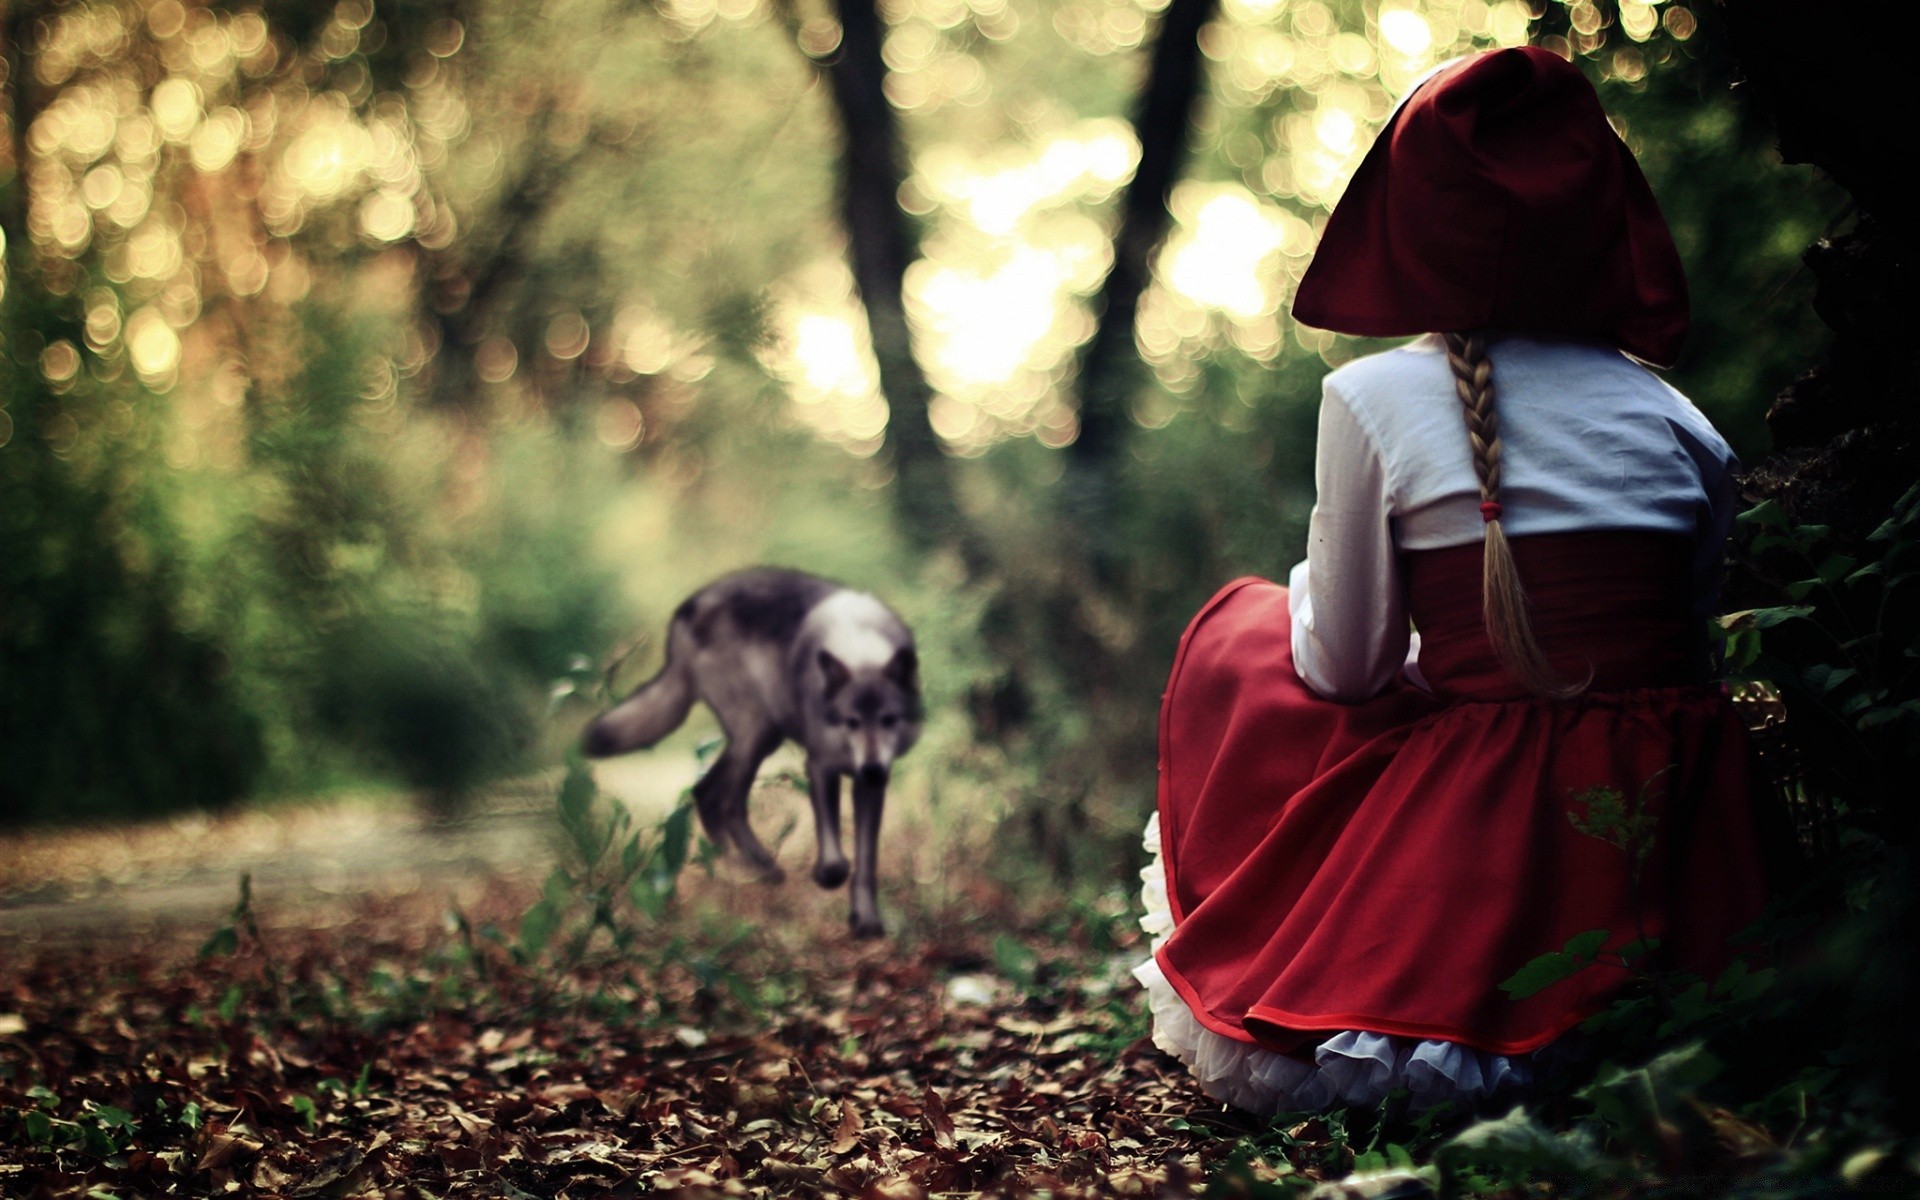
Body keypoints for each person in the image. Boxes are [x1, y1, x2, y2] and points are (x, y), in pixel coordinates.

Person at [1131, 46, 1775, 1114]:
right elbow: (1689, 656)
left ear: (1408, 220)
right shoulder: (1681, 421)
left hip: (1493, 819)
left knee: (1246, 634)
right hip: (1689, 832)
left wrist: (1391, 625)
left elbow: (1344, 668)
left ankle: (1312, 926)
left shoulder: (1378, 398)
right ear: (1605, 217)